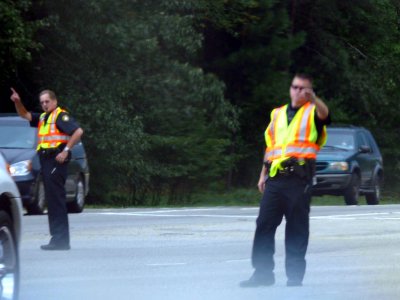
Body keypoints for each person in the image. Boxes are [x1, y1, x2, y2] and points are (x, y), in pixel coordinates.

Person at [240, 73, 330, 287]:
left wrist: (314, 98)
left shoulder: (312, 113)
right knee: (263, 224)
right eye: (295, 87)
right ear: (290, 88)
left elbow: (325, 115)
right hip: (275, 178)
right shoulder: (277, 114)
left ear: (309, 92)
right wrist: (263, 174)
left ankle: (294, 279)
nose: (298, 91)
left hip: (299, 179)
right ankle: (262, 274)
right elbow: (270, 146)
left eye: (303, 89)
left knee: (296, 228)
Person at [10, 88, 83, 250]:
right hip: (47, 161)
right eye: (42, 102)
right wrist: (17, 102)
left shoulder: (60, 116)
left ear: (54, 101)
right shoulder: (44, 117)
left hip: (56, 160)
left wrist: (66, 151)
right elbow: (24, 115)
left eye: (47, 101)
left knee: (56, 200)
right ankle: (57, 239)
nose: (44, 104)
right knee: (52, 200)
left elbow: (78, 131)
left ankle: (61, 240)